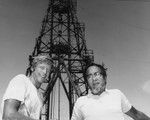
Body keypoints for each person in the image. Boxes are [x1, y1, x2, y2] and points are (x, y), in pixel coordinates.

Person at [71, 63, 150, 120]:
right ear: (87, 81)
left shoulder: (117, 94)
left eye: (97, 74)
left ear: (104, 78)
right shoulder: (80, 102)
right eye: (89, 76)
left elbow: (136, 115)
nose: (93, 79)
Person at [1, 54, 53, 120]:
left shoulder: (40, 96)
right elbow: (8, 115)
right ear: (32, 68)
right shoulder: (21, 80)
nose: (45, 72)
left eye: (48, 70)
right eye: (42, 68)